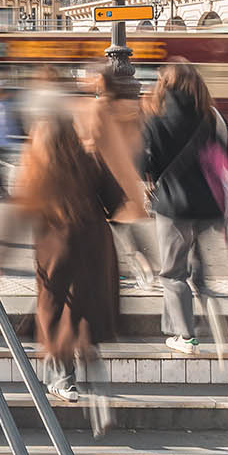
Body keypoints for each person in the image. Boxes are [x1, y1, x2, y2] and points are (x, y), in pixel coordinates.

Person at [15, 114, 124, 402]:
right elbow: (116, 202)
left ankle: (63, 379)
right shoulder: (89, 158)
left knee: (55, 308)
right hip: (94, 243)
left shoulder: (38, 166)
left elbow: (24, 208)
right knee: (82, 303)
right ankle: (86, 362)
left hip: (55, 244)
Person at [139, 61, 228, 355]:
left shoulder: (155, 118)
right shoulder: (212, 117)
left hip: (174, 207)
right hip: (209, 206)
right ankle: (202, 301)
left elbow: (145, 166)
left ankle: (186, 336)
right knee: (191, 261)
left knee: (172, 273)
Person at [71, 66, 155, 290]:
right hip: (122, 176)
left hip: (101, 178)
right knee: (122, 227)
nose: (86, 80)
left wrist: (83, 145)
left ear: (101, 81)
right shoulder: (127, 107)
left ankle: (112, 271)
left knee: (97, 229)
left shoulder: (99, 107)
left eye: (90, 77)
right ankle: (143, 265)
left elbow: (94, 140)